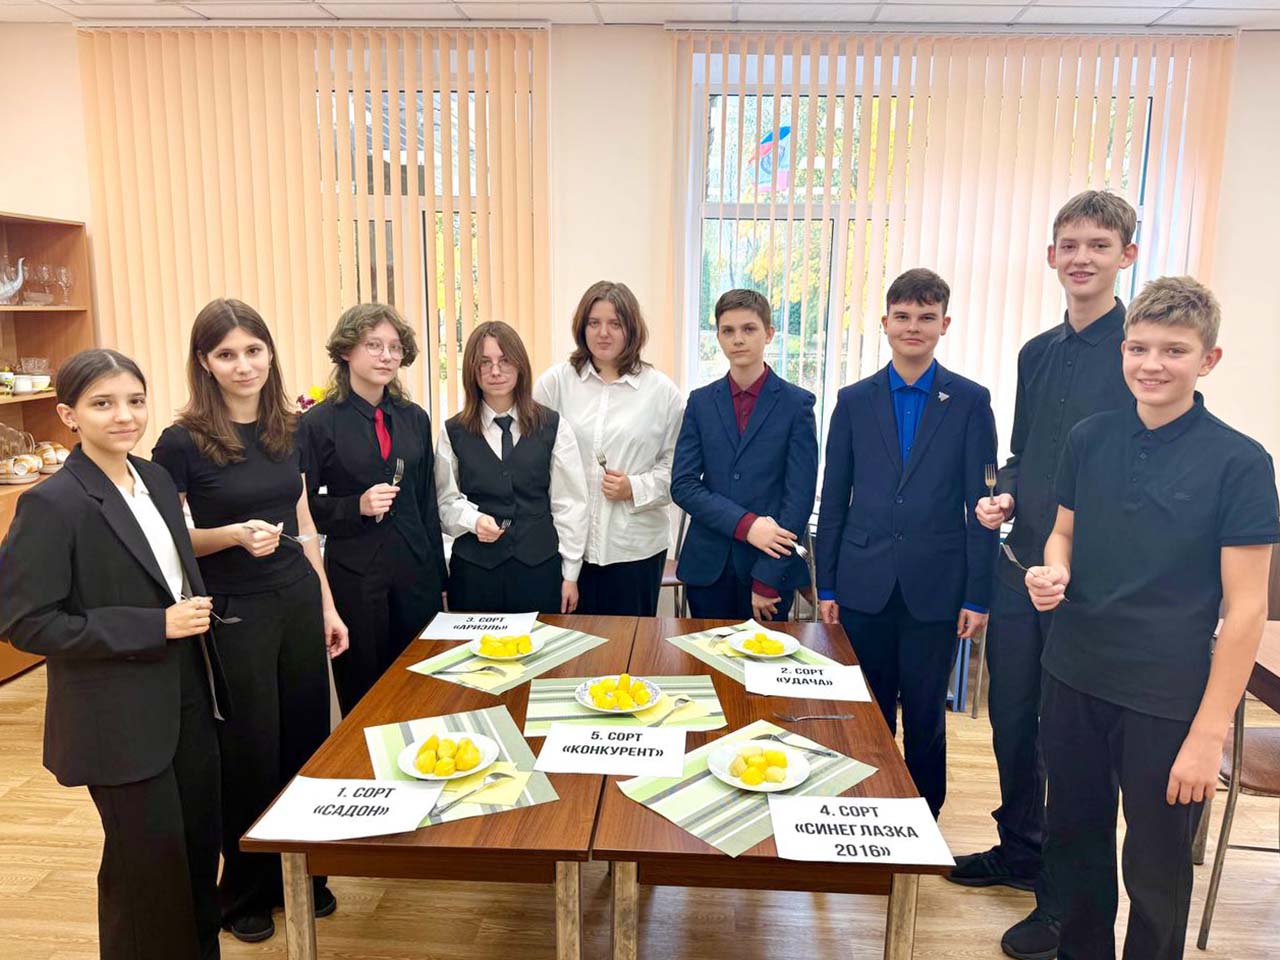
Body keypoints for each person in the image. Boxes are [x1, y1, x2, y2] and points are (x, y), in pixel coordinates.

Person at [1025, 276, 1279, 959]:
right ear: (1123, 352)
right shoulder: (1089, 438)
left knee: (1157, 871)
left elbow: (1247, 609)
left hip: (1167, 699)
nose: (1152, 364)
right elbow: (1063, 534)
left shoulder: (1241, 462)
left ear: (1208, 360)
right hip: (1074, 675)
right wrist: (1055, 572)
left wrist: (1208, 734)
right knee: (1075, 848)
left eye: (1174, 350)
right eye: (1138, 348)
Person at [948, 190, 1139, 960]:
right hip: (1018, 568)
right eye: (1070, 244)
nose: (1082, 257)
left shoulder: (1139, 351)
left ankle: (1065, 904)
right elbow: (1027, 453)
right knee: (1011, 717)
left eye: (1099, 244)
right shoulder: (1035, 353)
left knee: (1073, 746)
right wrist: (1002, 496)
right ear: (1051, 255)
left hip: (1091, 586)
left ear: (1126, 255)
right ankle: (1020, 846)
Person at [0, 349, 226, 960]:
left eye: (135, 401)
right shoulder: (52, 504)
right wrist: (155, 625)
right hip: (116, 717)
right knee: (144, 873)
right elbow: (25, 623)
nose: (125, 416)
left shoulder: (154, 479)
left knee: (197, 851)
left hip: (187, 693)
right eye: (103, 403)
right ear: (68, 415)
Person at [152, 299, 347, 943]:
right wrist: (232, 535)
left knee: (304, 744)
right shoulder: (181, 442)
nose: (244, 365)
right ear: (205, 363)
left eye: (253, 350)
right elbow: (170, 540)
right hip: (235, 611)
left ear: (270, 353)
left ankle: (303, 874)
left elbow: (305, 523)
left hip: (296, 599)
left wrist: (326, 604)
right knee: (249, 752)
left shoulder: (291, 427)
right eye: (227, 354)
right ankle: (244, 890)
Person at [816, 268, 998, 818]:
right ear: (884, 322)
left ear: (945, 324)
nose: (913, 326)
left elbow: (982, 507)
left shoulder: (969, 402)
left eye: (926, 317)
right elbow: (834, 498)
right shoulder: (853, 401)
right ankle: (867, 805)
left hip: (935, 587)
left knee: (924, 711)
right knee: (867, 709)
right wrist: (827, 585)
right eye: (902, 316)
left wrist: (978, 595)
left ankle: (922, 814)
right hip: (863, 582)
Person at [298, 303, 448, 715]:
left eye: (395, 347)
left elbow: (427, 502)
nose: (387, 356)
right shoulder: (317, 424)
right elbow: (303, 510)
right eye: (374, 345)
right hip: (355, 578)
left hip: (415, 574)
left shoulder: (415, 418)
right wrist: (355, 506)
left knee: (423, 687)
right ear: (347, 350)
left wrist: (439, 577)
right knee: (365, 695)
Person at [533, 281, 684, 616]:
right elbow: (530, 459)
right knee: (567, 642)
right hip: (566, 547)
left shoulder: (661, 392)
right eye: (594, 322)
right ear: (581, 327)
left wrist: (635, 487)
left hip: (634, 549)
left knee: (629, 642)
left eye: (615, 323)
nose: (603, 333)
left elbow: (679, 468)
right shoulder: (555, 383)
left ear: (632, 329)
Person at [671, 288, 817, 621]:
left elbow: (798, 499)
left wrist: (768, 577)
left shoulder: (797, 404)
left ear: (769, 334)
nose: (738, 339)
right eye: (728, 331)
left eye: (749, 329)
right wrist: (746, 525)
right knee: (702, 653)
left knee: (763, 655)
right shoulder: (701, 402)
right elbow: (683, 485)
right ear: (719, 337)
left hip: (769, 568)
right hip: (708, 567)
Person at [436, 321, 588, 614]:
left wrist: (571, 574)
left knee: (541, 643)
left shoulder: (554, 426)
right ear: (472, 370)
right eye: (485, 362)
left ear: (520, 366)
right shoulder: (452, 431)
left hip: (539, 571)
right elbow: (445, 501)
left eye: (505, 360)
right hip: (475, 575)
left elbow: (570, 504)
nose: (495, 371)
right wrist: (473, 520)